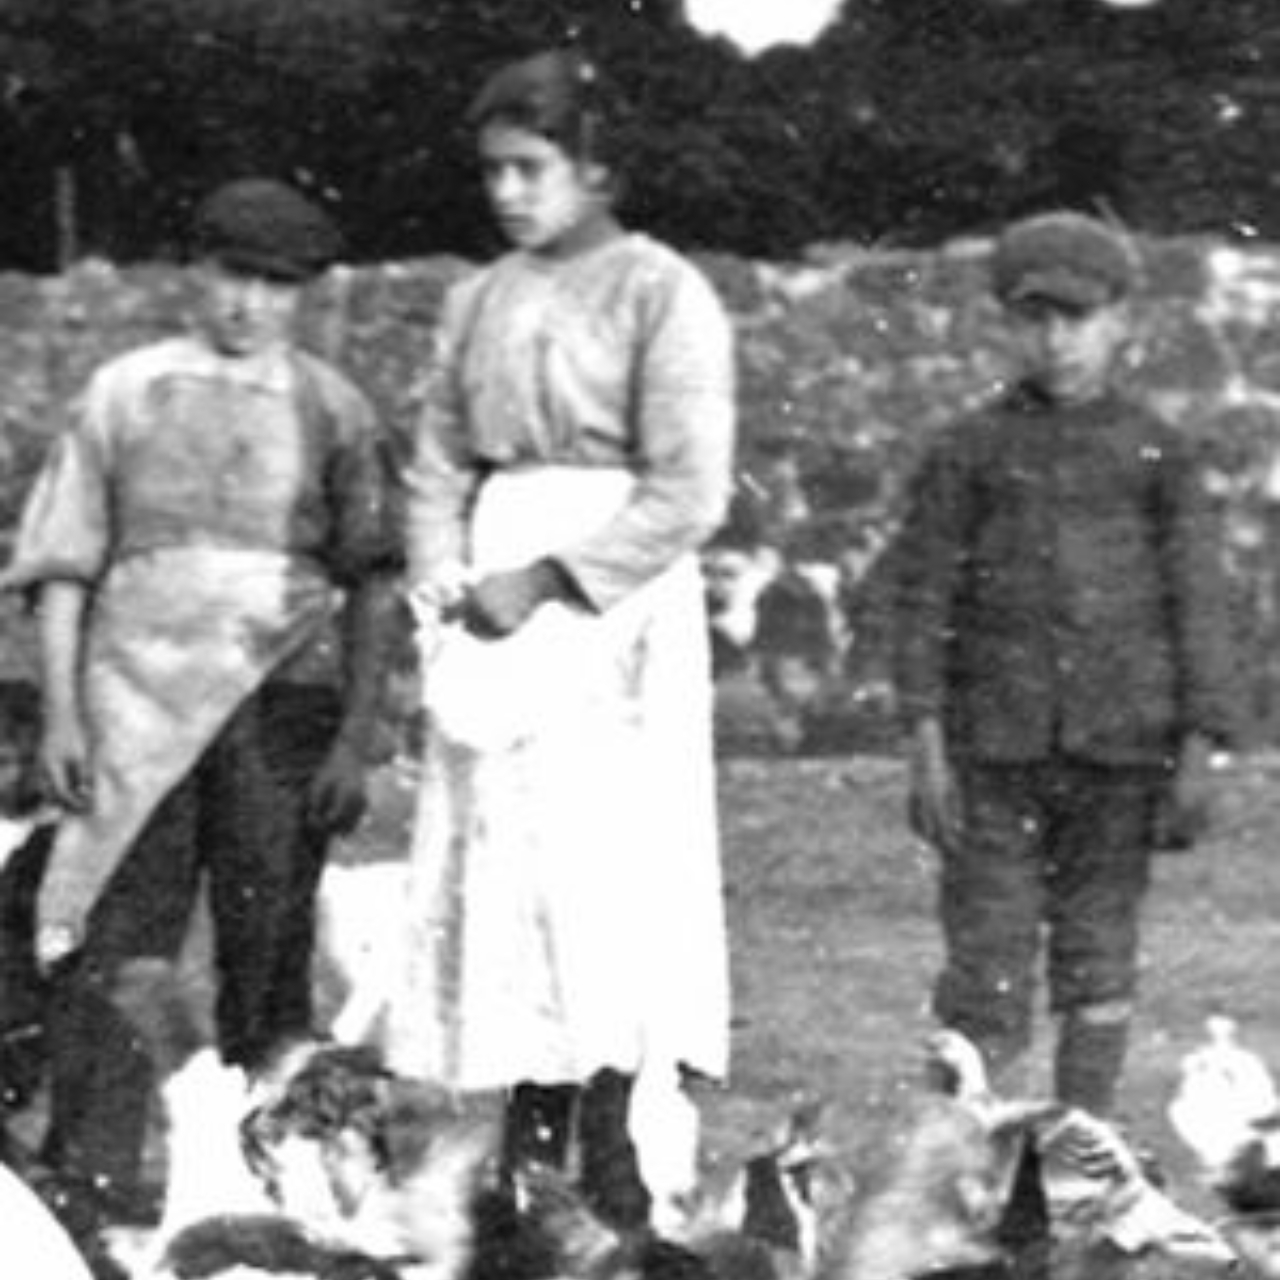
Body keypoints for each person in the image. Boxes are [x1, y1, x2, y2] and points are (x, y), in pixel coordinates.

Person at [0, 177, 399, 1235]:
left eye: (275, 286)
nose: (247, 305)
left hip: (280, 712)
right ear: (194, 271)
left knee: (267, 955)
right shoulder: (125, 392)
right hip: (134, 711)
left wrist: (355, 737)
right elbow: (62, 566)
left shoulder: (332, 407)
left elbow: (370, 585)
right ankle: (91, 1184)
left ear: (304, 294)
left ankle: (281, 1191)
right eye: (230, 275)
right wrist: (63, 719)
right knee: (112, 941)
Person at [392, 48, 736, 1232]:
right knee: (504, 858)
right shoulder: (475, 300)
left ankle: (609, 1117)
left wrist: (547, 579)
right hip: (493, 577)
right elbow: (437, 455)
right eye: (491, 171)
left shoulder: (660, 291)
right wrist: (443, 581)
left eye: (530, 168)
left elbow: (689, 487)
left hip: (608, 588)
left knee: (607, 861)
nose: (507, 193)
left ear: (593, 167)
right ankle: (524, 1123)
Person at [892, 210, 1239, 1117]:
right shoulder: (968, 449)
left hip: (1121, 755)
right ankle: (962, 1164)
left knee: (1099, 954)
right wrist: (925, 739)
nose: (1056, 340)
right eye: (1034, 318)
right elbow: (923, 597)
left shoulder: (1159, 450)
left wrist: (1202, 742)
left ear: (1123, 320)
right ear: (1008, 324)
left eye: (1077, 318)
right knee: (986, 962)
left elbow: (1199, 599)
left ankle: (1083, 1151)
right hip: (991, 755)